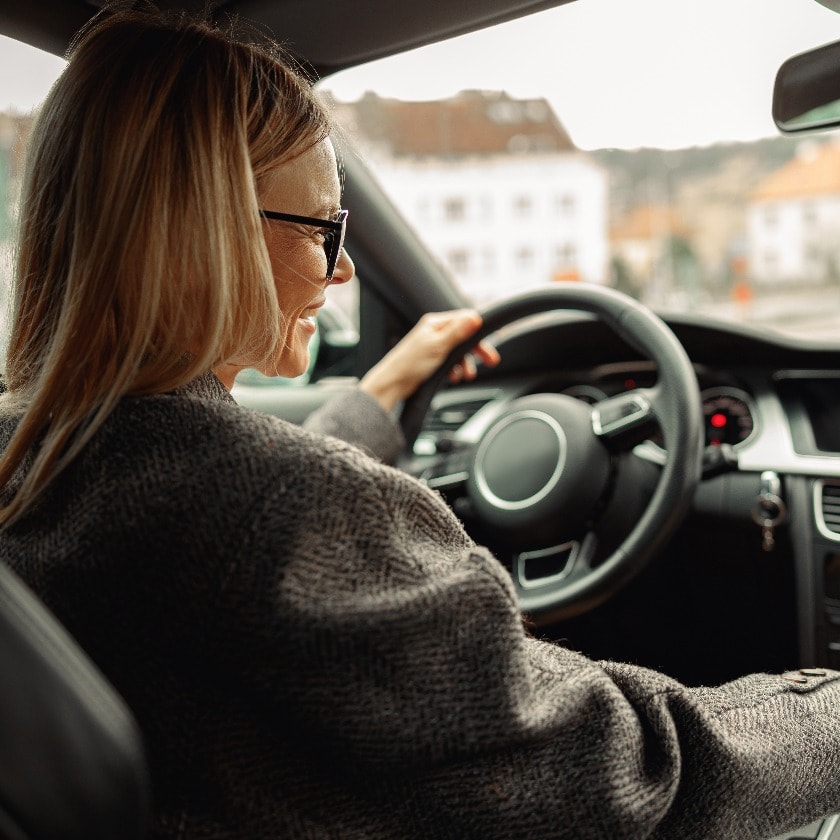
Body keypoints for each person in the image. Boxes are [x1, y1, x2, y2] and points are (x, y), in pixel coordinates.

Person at [2, 8, 840, 840]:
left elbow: (222, 500)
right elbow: (620, 781)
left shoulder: (35, 460)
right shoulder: (290, 510)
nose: (346, 268)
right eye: (326, 230)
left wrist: (377, 401)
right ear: (208, 232)